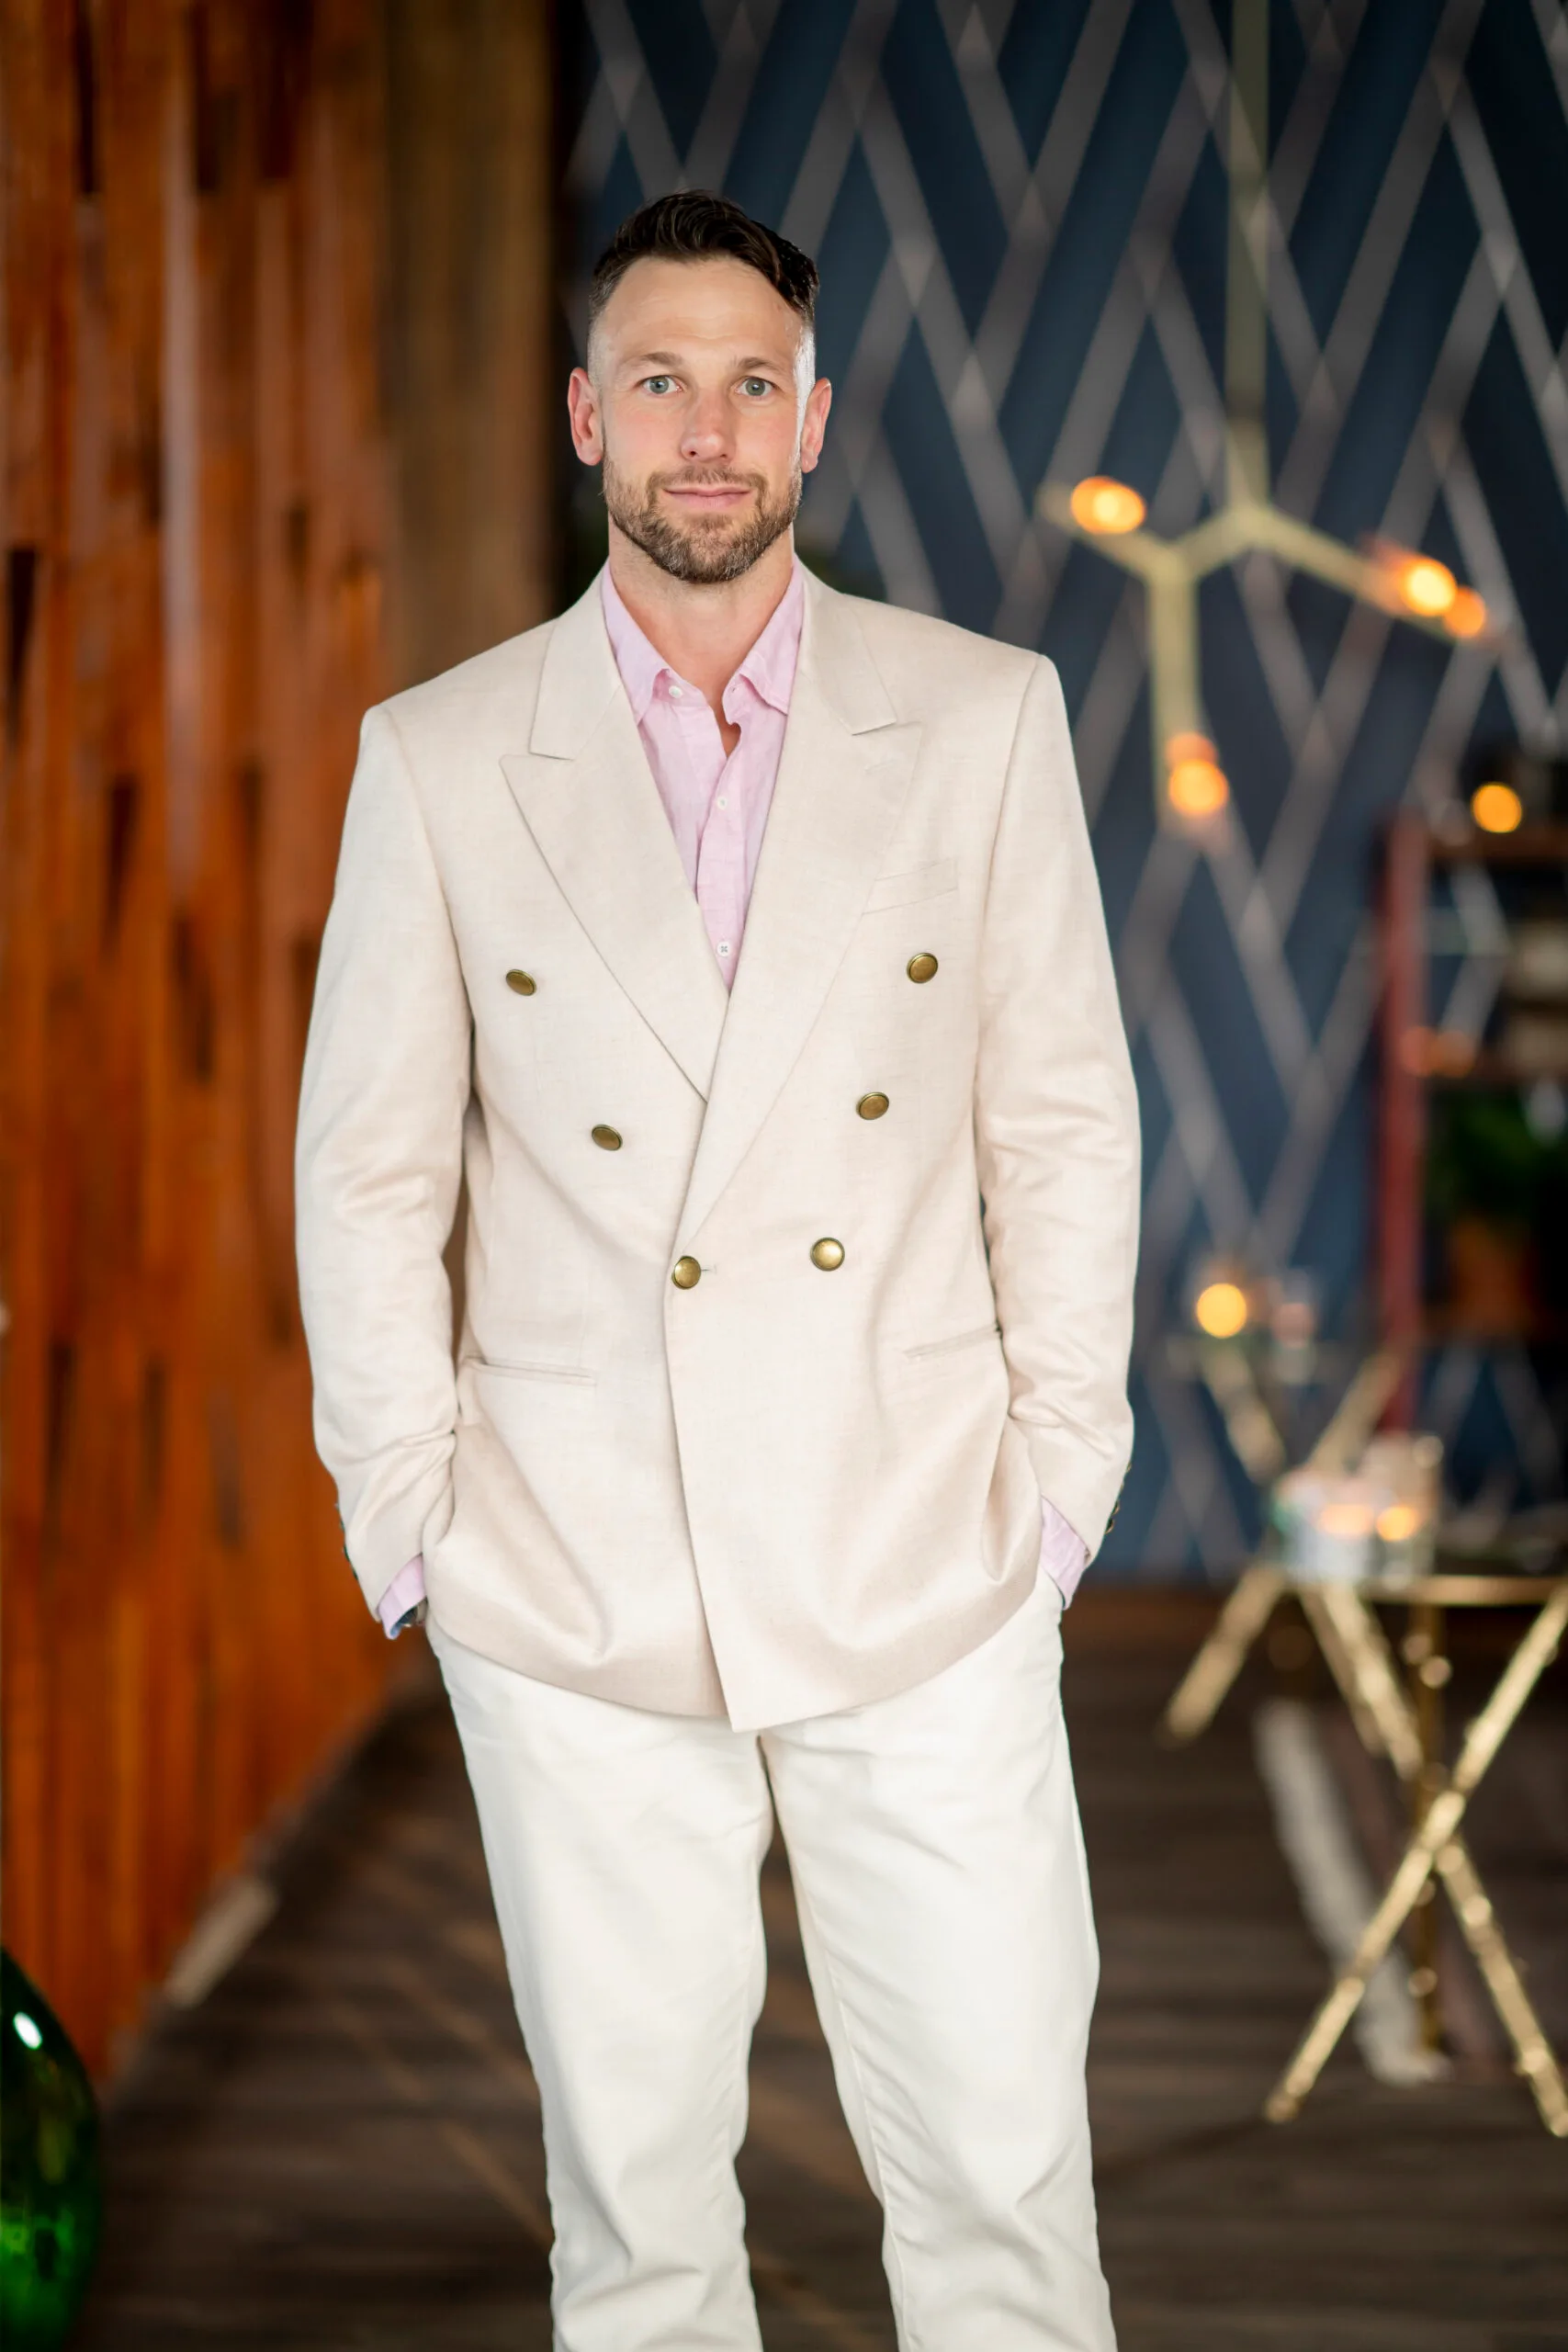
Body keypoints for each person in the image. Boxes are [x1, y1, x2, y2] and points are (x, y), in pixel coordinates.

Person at [297, 188, 1138, 2352]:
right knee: (641, 2227)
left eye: (749, 384)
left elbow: (1056, 1121)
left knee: (1001, 2188)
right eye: (659, 378)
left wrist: (1054, 1491)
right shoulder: (446, 751)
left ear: (813, 421)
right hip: (573, 1583)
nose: (705, 428)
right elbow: (370, 1175)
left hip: (920, 1551)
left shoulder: (981, 716)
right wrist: (416, 1526)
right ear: (588, 413)